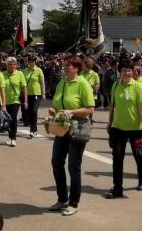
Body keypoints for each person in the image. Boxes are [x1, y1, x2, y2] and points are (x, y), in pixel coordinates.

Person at [48, 55, 94, 217]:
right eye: (65, 64)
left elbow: (90, 109)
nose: (65, 67)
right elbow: (56, 105)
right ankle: (62, 199)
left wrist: (71, 112)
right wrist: (53, 111)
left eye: (69, 65)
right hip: (61, 129)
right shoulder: (62, 83)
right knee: (56, 163)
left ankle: (74, 203)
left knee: (73, 167)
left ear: (76, 68)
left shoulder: (83, 84)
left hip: (77, 129)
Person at [106, 62, 142, 198]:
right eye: (124, 70)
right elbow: (113, 105)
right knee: (117, 157)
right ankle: (118, 187)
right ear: (120, 72)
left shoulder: (138, 87)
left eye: (129, 70)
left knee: (139, 156)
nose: (127, 73)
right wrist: (109, 122)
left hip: (135, 128)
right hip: (118, 127)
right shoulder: (115, 86)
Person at [3, 57, 28, 147]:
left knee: (13, 118)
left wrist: (25, 101)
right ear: (6, 65)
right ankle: (9, 137)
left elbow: (24, 88)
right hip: (4, 102)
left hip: (15, 101)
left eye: (14, 64)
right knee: (7, 120)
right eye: (10, 64)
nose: (12, 66)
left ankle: (13, 138)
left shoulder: (20, 74)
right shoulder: (2, 74)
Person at [23, 55, 45, 138]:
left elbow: (42, 82)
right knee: (28, 112)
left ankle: (33, 130)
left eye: (33, 61)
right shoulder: (24, 71)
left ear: (35, 62)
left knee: (34, 111)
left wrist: (43, 93)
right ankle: (32, 128)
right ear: (28, 62)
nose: (31, 63)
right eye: (30, 61)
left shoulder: (39, 70)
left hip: (36, 93)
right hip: (27, 94)